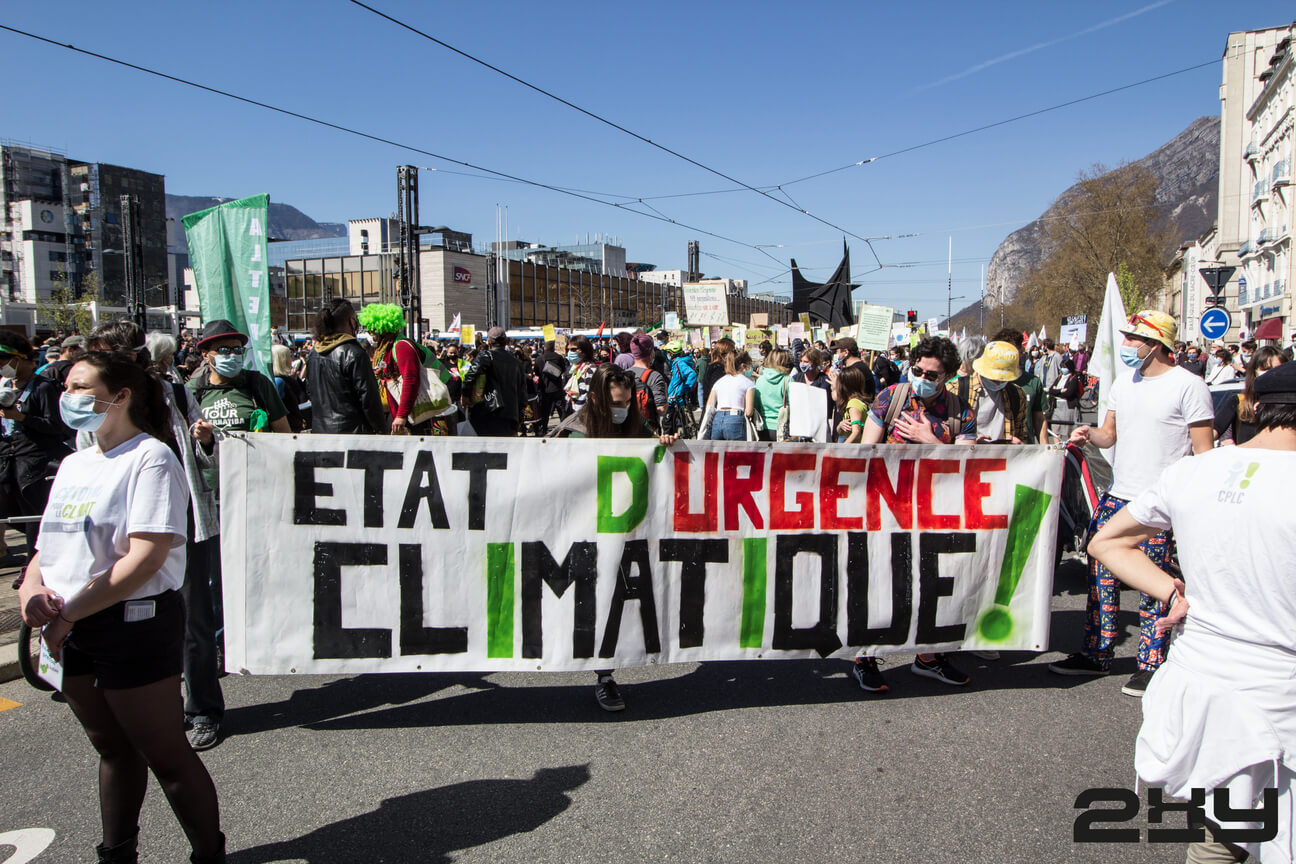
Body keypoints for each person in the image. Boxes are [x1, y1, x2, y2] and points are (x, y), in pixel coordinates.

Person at [17, 350, 225, 864]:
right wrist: (30, 595)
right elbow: (47, 546)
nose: (68, 397)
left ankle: (208, 852)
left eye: (80, 387)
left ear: (122, 396)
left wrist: (69, 614)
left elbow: (146, 557)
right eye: (66, 387)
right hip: (69, 626)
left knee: (165, 753)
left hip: (131, 624)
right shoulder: (73, 462)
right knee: (111, 748)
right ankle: (117, 852)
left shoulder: (150, 458)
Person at [1087, 361, 1296, 864]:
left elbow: (1106, 541)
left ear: (1252, 408)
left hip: (1205, 684)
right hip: (1281, 690)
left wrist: (1170, 590)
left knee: (1220, 837)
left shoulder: (1192, 472)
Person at [1049, 310, 1214, 695]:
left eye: (1132, 338)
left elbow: (1204, 453)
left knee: (1155, 584)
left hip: (1162, 503)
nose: (1125, 345)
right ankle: (1097, 653)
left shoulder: (1189, 387)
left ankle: (1152, 663)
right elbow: (1110, 435)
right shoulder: (1125, 384)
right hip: (1118, 495)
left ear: (1155, 343)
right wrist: (1089, 434)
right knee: (1099, 575)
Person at [549, 364, 677, 711]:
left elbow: (654, 458)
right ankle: (593, 668)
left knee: (614, 600)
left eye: (626, 403)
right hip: (582, 532)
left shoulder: (635, 424)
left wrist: (663, 444)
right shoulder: (573, 433)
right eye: (615, 404)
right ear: (594, 399)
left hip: (622, 532)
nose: (622, 410)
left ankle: (605, 676)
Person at [853, 336, 975, 691]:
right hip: (885, 508)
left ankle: (929, 657)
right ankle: (865, 656)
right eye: (917, 369)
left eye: (931, 374)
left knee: (929, 583)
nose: (921, 377)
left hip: (934, 512)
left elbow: (968, 469)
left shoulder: (961, 413)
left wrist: (931, 442)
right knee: (877, 581)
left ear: (948, 376)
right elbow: (864, 453)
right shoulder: (891, 397)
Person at [0, 330, 74, 559]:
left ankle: (35, 564)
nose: (1, 366)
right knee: (12, 511)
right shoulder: (6, 385)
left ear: (19, 358)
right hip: (8, 459)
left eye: (3, 361)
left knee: (34, 516)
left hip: (35, 463)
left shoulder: (43, 387)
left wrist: (22, 418)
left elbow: (57, 427)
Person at [358, 304, 454, 437]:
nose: (370, 334)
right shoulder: (387, 347)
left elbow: (411, 379)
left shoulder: (401, 346)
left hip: (417, 414)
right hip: (405, 413)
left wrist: (401, 415)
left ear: (383, 329)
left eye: (372, 330)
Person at [305, 299, 388, 435]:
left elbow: (310, 392)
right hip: (352, 436)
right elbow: (369, 400)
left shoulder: (313, 353)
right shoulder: (355, 353)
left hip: (320, 434)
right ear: (351, 321)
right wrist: (381, 431)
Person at [1214, 346, 1286, 445]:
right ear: (1254, 371)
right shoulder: (1239, 401)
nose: (1271, 374)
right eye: (1266, 369)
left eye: (1277, 369)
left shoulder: (1290, 406)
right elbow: (1214, 431)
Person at [962, 340, 1030, 444]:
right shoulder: (957, 389)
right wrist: (967, 442)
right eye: (994, 378)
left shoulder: (1017, 394)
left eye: (1003, 379)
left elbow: (1021, 435)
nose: (998, 383)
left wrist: (1020, 445)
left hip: (1003, 458)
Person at [991, 328, 1048, 444]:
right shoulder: (988, 381)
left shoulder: (1033, 382)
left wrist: (1045, 450)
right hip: (993, 451)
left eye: (1011, 351)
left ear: (1020, 351)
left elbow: (1039, 420)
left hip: (1024, 451)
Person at [702, 349, 756, 440]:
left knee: (718, 452)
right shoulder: (748, 383)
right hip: (736, 419)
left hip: (717, 419)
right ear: (743, 366)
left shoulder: (719, 382)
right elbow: (749, 411)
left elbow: (709, 406)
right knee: (736, 453)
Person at [628, 333, 667, 433]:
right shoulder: (655, 376)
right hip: (649, 434)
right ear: (651, 352)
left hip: (627, 432)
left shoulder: (623, 374)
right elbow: (661, 410)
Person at [752, 347, 792, 441]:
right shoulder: (787, 380)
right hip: (782, 427)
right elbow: (792, 405)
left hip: (762, 426)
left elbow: (756, 405)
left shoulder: (760, 380)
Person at [270, 344, 309, 433]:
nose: (292, 359)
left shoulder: (288, 379)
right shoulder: (279, 381)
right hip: (289, 429)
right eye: (289, 356)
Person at [534, 340, 569, 435]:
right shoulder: (559, 357)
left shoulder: (539, 359)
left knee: (545, 411)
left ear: (544, 348)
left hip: (544, 389)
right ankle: (564, 429)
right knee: (561, 409)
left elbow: (536, 373)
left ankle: (543, 429)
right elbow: (563, 370)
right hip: (557, 387)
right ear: (553, 348)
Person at [831, 364, 872, 444]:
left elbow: (856, 433)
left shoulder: (854, 403)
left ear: (843, 385)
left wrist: (841, 449)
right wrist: (840, 425)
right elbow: (840, 432)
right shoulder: (854, 402)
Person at [1046, 355, 1083, 432]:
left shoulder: (1073, 379)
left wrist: (1057, 391)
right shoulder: (1059, 377)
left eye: (1064, 367)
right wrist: (1060, 391)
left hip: (1069, 407)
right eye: (1062, 367)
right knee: (1056, 429)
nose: (1063, 369)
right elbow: (1051, 390)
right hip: (1057, 407)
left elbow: (1069, 393)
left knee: (1070, 430)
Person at [564, 336, 598, 413]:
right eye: (568, 349)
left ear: (584, 351)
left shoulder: (590, 371)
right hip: (576, 414)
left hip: (584, 416)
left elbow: (592, 397)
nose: (569, 352)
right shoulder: (576, 369)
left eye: (573, 349)